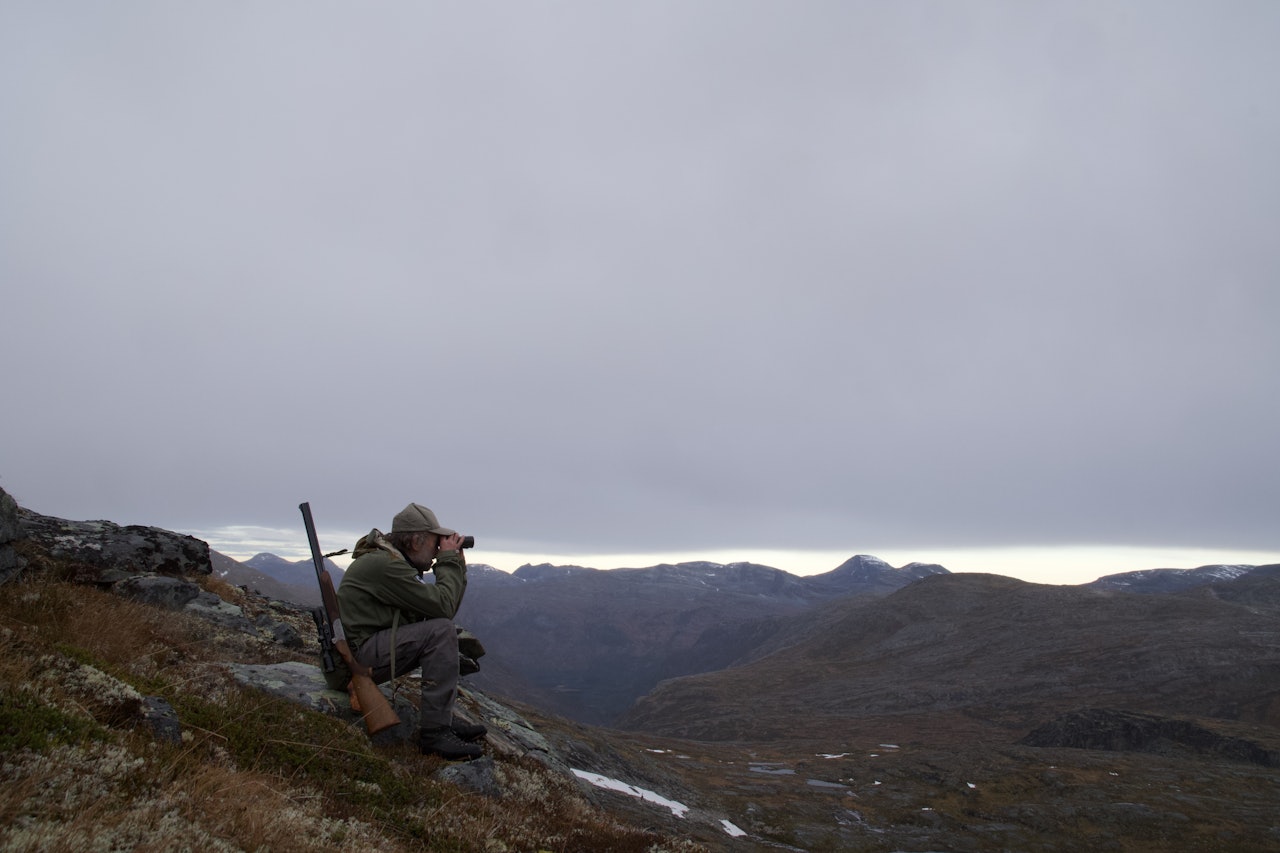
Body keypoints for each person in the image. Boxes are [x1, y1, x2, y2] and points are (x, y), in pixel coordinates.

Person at [336, 502, 486, 760]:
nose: (437, 550)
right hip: (355, 661)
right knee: (440, 632)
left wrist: (455, 565)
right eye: (434, 543)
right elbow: (443, 608)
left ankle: (443, 721)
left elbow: (442, 609)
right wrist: (448, 562)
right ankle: (435, 735)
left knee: (441, 629)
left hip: (363, 651)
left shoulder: (392, 561)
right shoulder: (386, 566)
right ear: (416, 542)